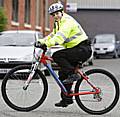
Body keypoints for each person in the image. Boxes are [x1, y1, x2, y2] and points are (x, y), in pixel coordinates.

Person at [35, 2, 92, 107]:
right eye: (53, 15)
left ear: (62, 12)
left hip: (82, 49)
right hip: (76, 49)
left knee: (57, 55)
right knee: (62, 73)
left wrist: (47, 44)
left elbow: (60, 38)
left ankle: (74, 74)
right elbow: (53, 35)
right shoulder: (58, 22)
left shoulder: (67, 21)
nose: (55, 16)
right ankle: (67, 99)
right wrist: (42, 41)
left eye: (57, 13)